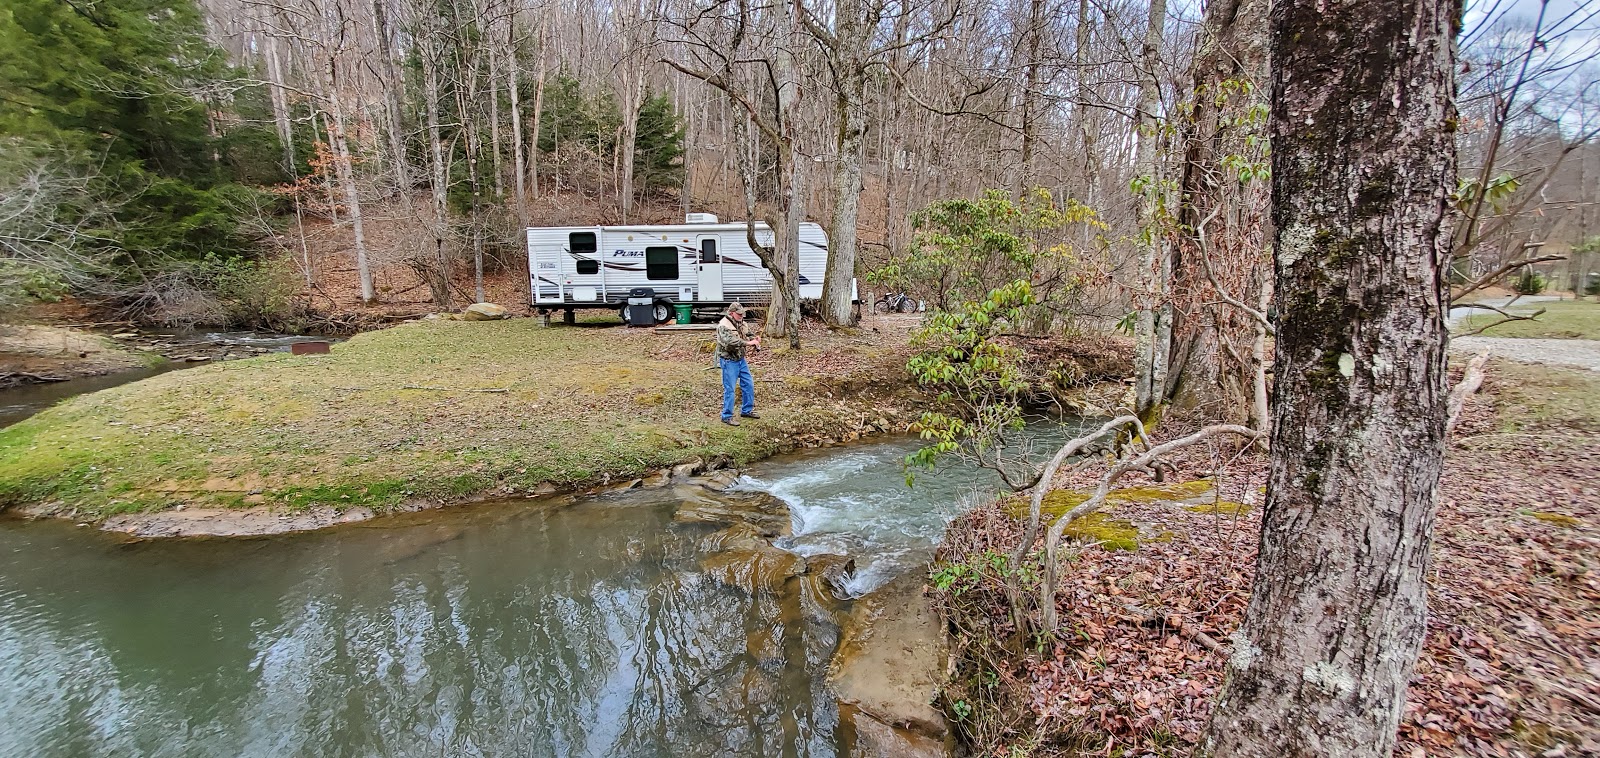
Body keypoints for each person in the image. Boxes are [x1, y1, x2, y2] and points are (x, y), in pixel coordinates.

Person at [715, 302, 761, 426]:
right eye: (739, 314)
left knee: (748, 384)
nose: (742, 316)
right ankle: (726, 416)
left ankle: (746, 411)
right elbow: (731, 342)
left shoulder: (741, 323)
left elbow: (748, 333)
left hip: (741, 360)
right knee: (730, 389)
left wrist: (755, 339)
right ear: (731, 313)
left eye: (742, 313)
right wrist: (748, 343)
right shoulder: (723, 325)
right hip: (729, 361)